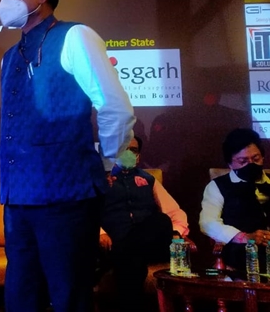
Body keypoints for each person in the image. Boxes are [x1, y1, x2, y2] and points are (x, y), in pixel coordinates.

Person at [0, 0, 135, 312]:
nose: (5, 3)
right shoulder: (9, 57)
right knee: (20, 298)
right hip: (17, 200)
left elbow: (115, 107)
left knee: (69, 296)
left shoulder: (76, 36)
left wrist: (107, 160)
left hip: (67, 196)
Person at [98, 136, 189, 312]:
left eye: (133, 150)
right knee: (133, 262)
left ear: (138, 156)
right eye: (124, 149)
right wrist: (100, 233)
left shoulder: (149, 179)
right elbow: (87, 213)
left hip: (144, 245)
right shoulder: (101, 180)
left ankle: (122, 253)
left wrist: (176, 232)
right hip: (116, 242)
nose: (128, 153)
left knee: (162, 221)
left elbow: (175, 212)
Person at [200, 128, 270, 271]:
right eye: (243, 161)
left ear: (263, 157)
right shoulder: (218, 186)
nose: (250, 164)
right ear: (230, 163)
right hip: (242, 250)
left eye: (256, 159)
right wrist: (244, 237)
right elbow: (208, 222)